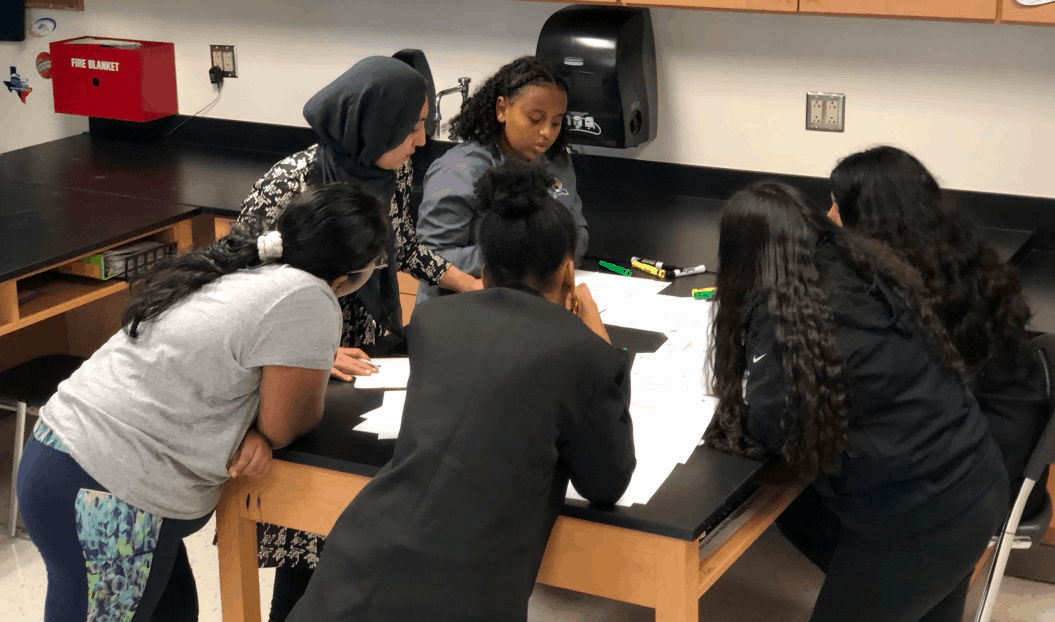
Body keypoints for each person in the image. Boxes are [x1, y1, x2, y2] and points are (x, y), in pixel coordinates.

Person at [16, 184, 390, 622]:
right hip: (106, 490)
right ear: (346, 274)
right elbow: (287, 424)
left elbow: (216, 355)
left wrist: (304, 364)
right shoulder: (311, 297)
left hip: (65, 459)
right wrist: (261, 429)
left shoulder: (245, 269)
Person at [286, 160, 636, 622]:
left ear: (484, 265)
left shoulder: (434, 322)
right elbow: (606, 483)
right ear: (568, 271)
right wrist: (603, 350)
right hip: (467, 589)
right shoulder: (584, 354)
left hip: (360, 562)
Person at [236, 56, 481, 620]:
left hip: (366, 354)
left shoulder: (385, 172)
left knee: (366, 516)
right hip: (300, 362)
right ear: (371, 126)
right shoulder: (293, 181)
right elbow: (243, 287)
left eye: (426, 123)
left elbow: (401, 247)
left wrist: (472, 285)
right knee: (313, 526)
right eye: (411, 126)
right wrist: (316, 357)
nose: (422, 140)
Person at [705, 181, 1008, 622]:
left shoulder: (784, 314)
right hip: (974, 481)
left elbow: (772, 423)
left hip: (918, 519)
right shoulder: (863, 270)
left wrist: (734, 412)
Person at [828, 145, 1048, 513]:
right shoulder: (958, 254)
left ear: (867, 218)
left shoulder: (902, 288)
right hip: (1002, 449)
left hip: (972, 478)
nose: (828, 216)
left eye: (836, 205)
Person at [415, 55, 588, 306]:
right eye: (536, 119)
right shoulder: (459, 169)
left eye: (556, 122)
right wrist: (525, 253)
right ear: (502, 109)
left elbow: (579, 232)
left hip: (535, 305)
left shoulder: (557, 163)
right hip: (459, 309)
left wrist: (551, 251)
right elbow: (431, 256)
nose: (547, 133)